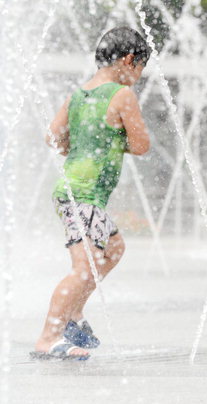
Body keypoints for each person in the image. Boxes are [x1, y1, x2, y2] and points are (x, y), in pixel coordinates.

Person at [30, 27, 150, 360]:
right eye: (140, 69)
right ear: (129, 60)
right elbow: (141, 145)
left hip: (74, 190)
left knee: (113, 247)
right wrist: (111, 141)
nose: (138, 77)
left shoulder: (78, 93)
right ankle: (49, 337)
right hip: (83, 193)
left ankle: (73, 314)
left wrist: (81, 144)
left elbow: (52, 138)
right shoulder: (121, 95)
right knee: (83, 267)